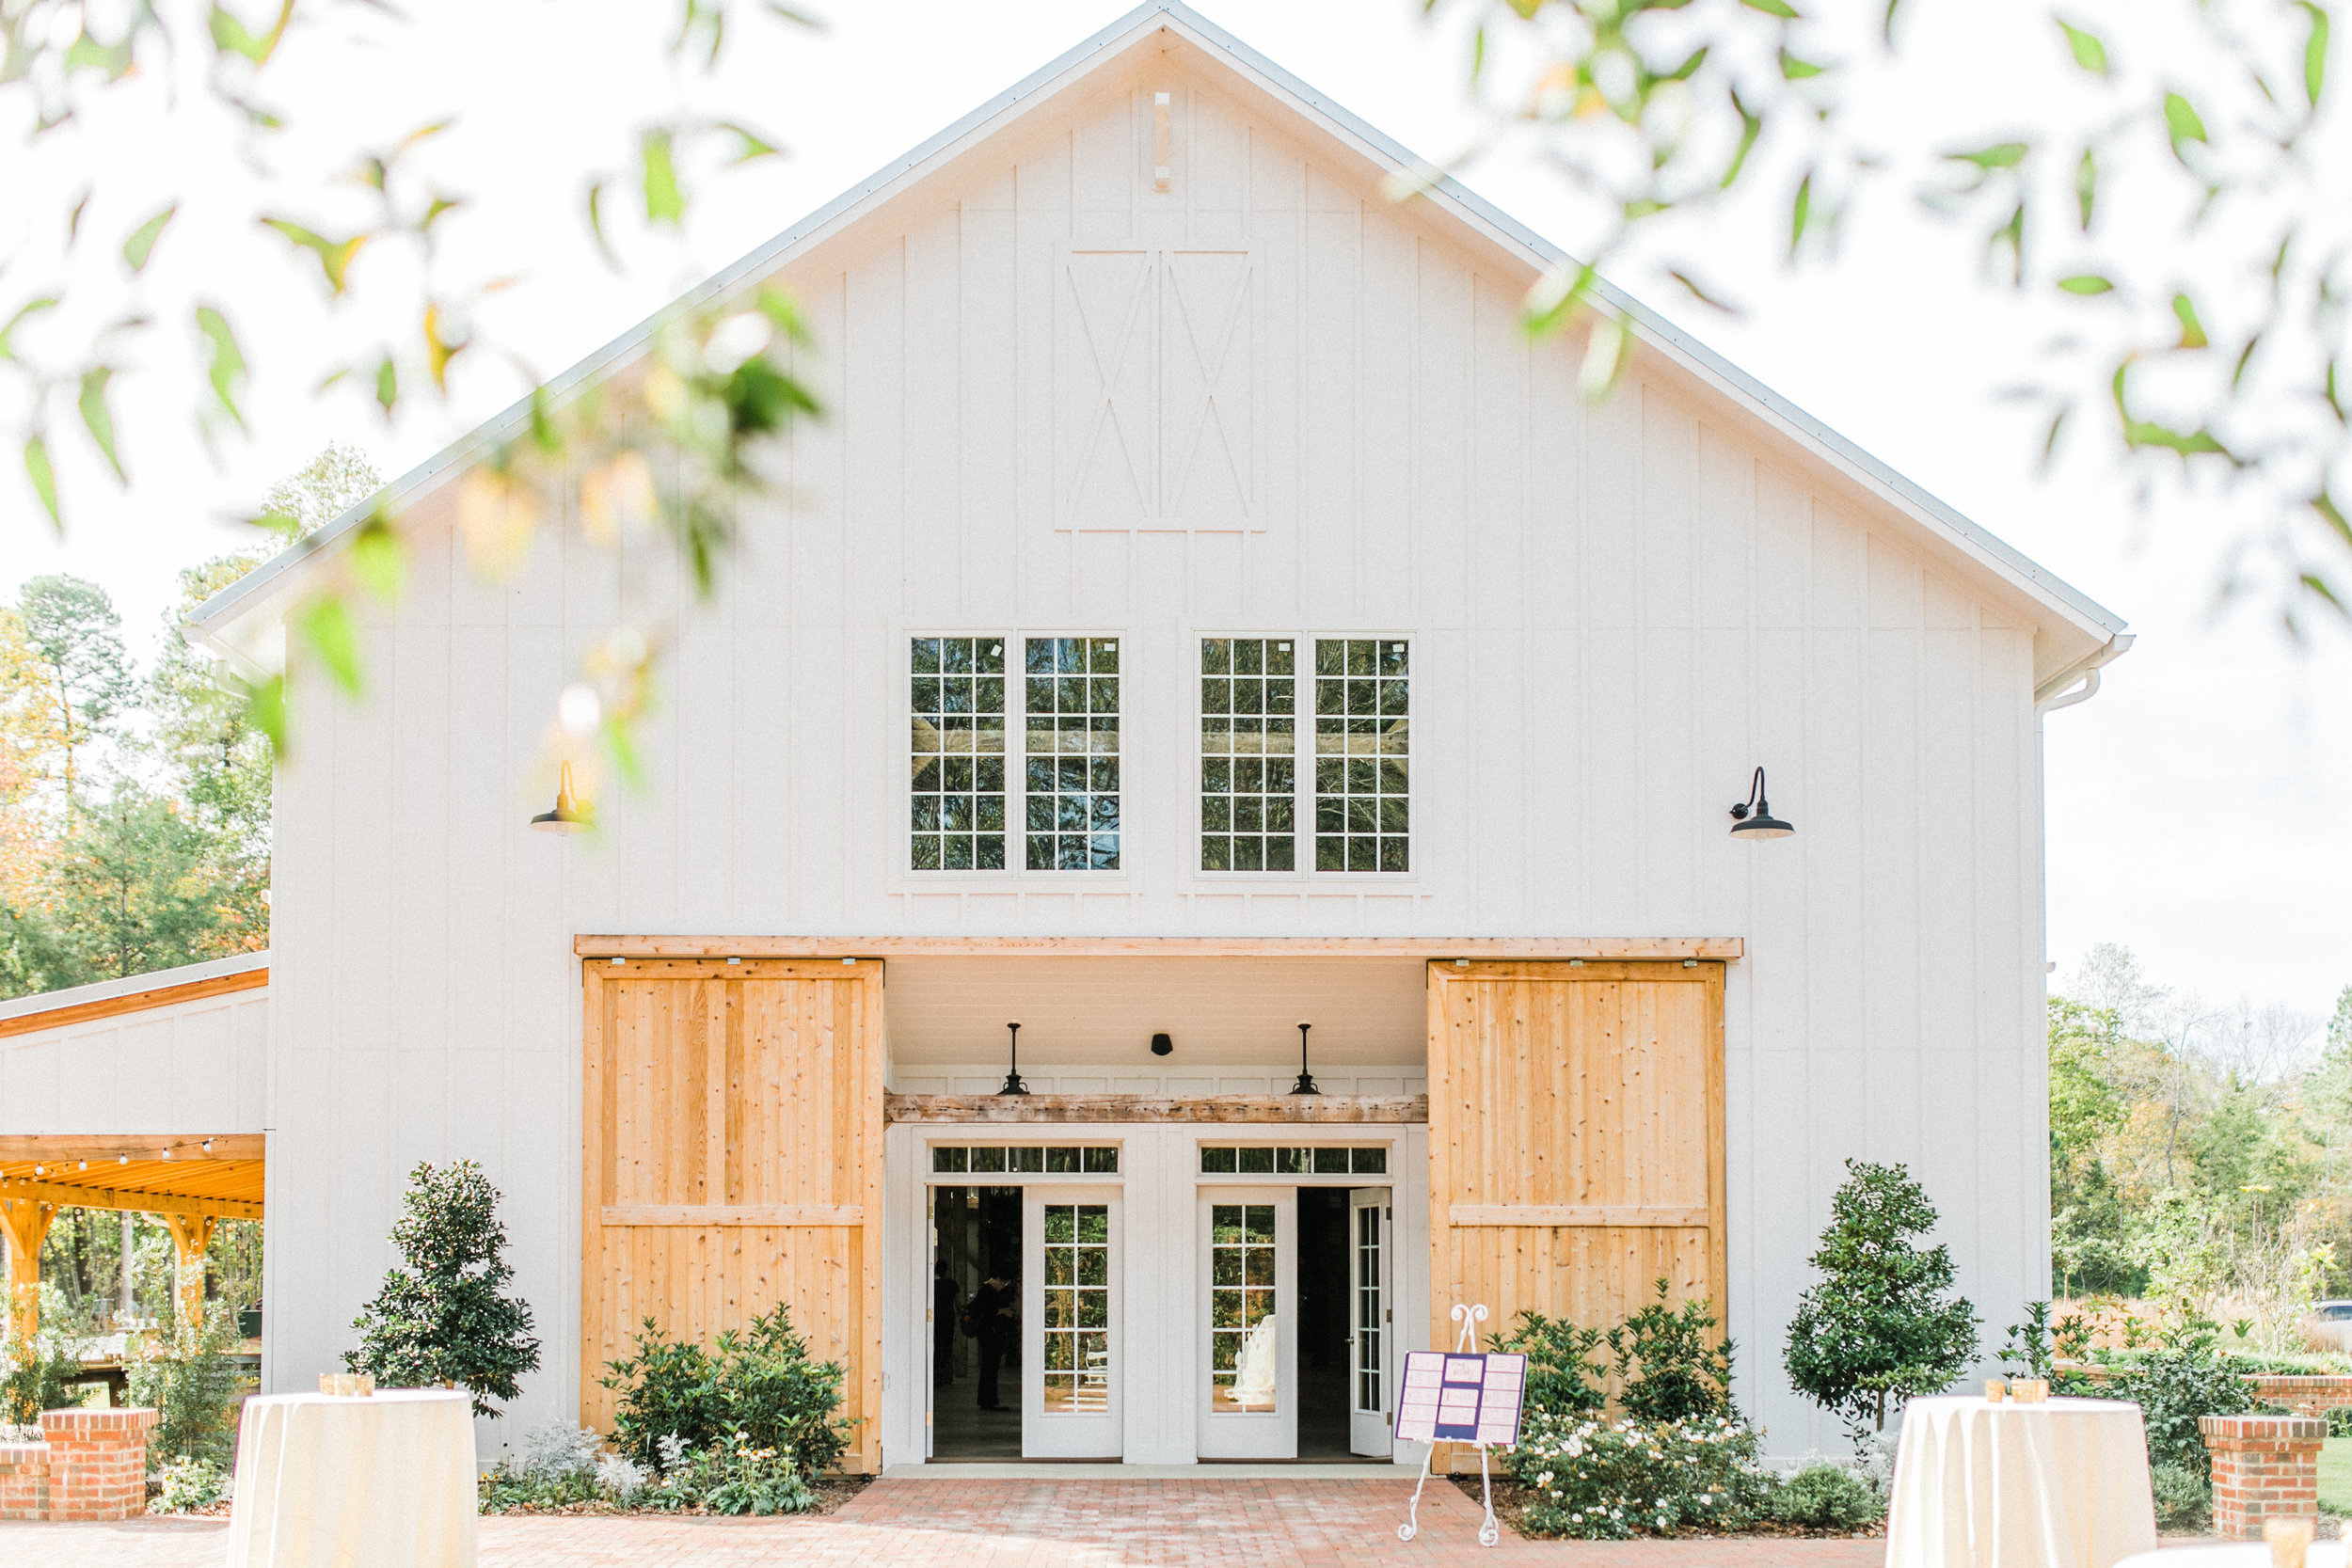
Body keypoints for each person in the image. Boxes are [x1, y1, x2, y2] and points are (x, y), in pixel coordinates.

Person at [966, 1273, 1016, 1411]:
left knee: (991, 1367)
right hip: (989, 1334)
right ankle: (987, 1400)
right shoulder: (987, 1291)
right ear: (998, 1279)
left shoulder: (987, 1290)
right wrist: (1004, 1311)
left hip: (989, 1333)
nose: (1004, 1286)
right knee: (990, 1367)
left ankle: (989, 1400)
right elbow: (988, 1311)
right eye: (1004, 1283)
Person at [933, 1265, 962, 1387]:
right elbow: (958, 1302)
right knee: (948, 1345)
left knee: (937, 1345)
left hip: (935, 1317)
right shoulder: (952, 1284)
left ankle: (935, 1370)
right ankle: (941, 1368)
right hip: (948, 1317)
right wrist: (962, 1313)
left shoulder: (933, 1284)